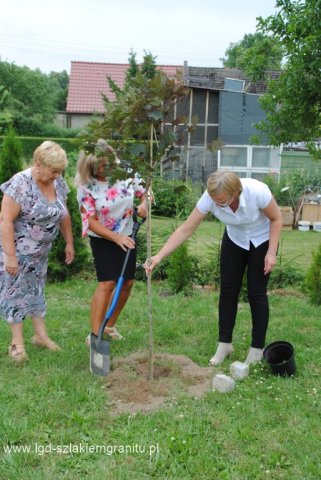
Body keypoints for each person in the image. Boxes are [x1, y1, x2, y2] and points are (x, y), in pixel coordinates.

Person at [145, 170, 282, 366]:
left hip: (262, 239)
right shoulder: (210, 198)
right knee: (227, 291)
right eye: (215, 201)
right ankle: (224, 344)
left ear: (235, 193)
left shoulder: (257, 192)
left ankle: (256, 349)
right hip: (235, 239)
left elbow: (277, 219)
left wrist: (271, 252)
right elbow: (185, 229)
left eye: (222, 202)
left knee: (256, 293)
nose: (217, 204)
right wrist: (158, 256)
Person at [0, 141, 74, 362]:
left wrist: (69, 242)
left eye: (60, 172)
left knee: (36, 291)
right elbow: (5, 220)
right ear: (38, 164)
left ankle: (41, 337)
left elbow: (64, 214)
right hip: (17, 252)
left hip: (40, 253)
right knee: (14, 292)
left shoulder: (57, 182)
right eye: (53, 171)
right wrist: (10, 257)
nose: (57, 176)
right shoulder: (20, 184)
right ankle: (17, 344)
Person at [75, 139, 146, 342]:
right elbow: (90, 220)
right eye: (101, 166)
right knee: (107, 283)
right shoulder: (86, 186)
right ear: (90, 167)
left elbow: (145, 192)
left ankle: (109, 326)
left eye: (109, 164)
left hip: (128, 235)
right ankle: (95, 334)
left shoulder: (126, 172)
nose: (107, 169)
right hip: (104, 238)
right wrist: (116, 237)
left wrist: (145, 203)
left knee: (127, 283)